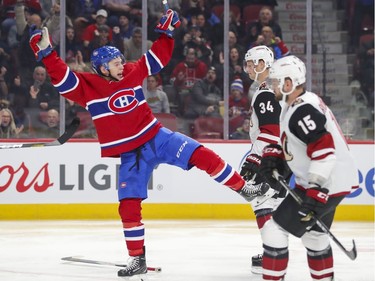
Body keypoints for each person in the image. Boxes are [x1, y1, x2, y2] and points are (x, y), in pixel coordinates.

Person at [29, 8, 259, 278]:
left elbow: (157, 57)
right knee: (128, 204)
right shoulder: (87, 86)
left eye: (120, 61)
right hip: (131, 155)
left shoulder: (130, 70)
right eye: (114, 63)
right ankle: (137, 258)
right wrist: (47, 53)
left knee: (202, 154)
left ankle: (244, 188)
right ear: (102, 68)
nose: (121, 65)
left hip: (156, 137)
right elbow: (61, 77)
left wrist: (167, 33)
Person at [258, 55, 359, 281]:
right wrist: (277, 157)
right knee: (314, 235)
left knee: (274, 231)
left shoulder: (302, 110)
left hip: (325, 184)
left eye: (276, 82)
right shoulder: (298, 103)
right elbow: (300, 144)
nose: (273, 86)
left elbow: (324, 149)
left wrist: (315, 189)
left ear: (289, 84)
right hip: (332, 183)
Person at [240, 45, 287, 274]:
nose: (247, 67)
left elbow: (269, 131)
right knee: (273, 203)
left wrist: (254, 158)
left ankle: (272, 254)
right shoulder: (271, 89)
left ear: (261, 64)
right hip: (281, 156)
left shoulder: (266, 92)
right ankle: (275, 251)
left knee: (262, 202)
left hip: (271, 157)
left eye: (250, 63)